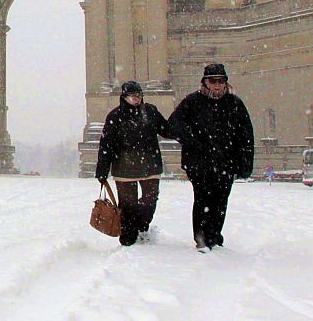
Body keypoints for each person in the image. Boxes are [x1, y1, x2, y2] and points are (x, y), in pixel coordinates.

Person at [168, 63, 254, 252]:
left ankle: (214, 235)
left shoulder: (235, 104)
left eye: (220, 81)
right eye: (213, 81)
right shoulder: (192, 102)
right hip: (199, 163)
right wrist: (193, 142)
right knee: (202, 200)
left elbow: (246, 136)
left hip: (226, 163)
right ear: (205, 83)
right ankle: (201, 238)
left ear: (225, 83)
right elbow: (173, 124)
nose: (217, 85)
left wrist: (245, 164)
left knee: (220, 201)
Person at [95, 81, 171, 246]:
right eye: (133, 96)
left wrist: (183, 128)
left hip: (150, 166)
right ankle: (129, 238)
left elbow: (166, 129)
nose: (136, 99)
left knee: (149, 201)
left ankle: (142, 227)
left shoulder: (150, 111)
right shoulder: (114, 116)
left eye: (139, 95)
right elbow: (106, 145)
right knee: (128, 206)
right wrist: (102, 169)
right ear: (124, 97)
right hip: (124, 168)